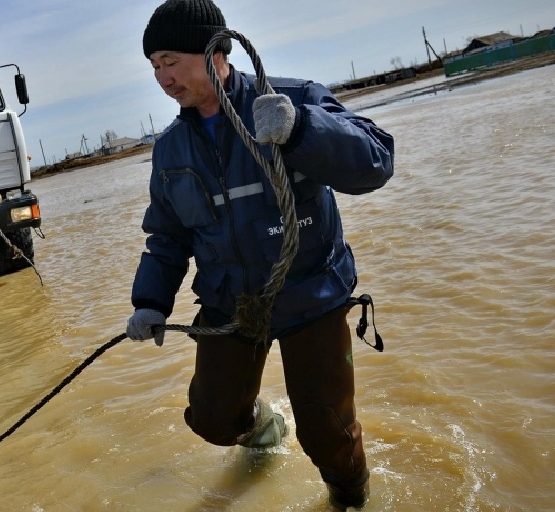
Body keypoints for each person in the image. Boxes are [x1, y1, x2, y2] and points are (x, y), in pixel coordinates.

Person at [126, 0, 395, 509]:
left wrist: (301, 130)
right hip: (232, 305)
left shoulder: (293, 100)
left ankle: (351, 499)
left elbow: (376, 162)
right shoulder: (171, 149)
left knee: (328, 435)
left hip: (310, 296)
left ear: (216, 51)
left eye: (170, 59)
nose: (162, 77)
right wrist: (150, 303)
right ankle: (266, 429)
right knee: (212, 420)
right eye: (154, 66)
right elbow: (166, 238)